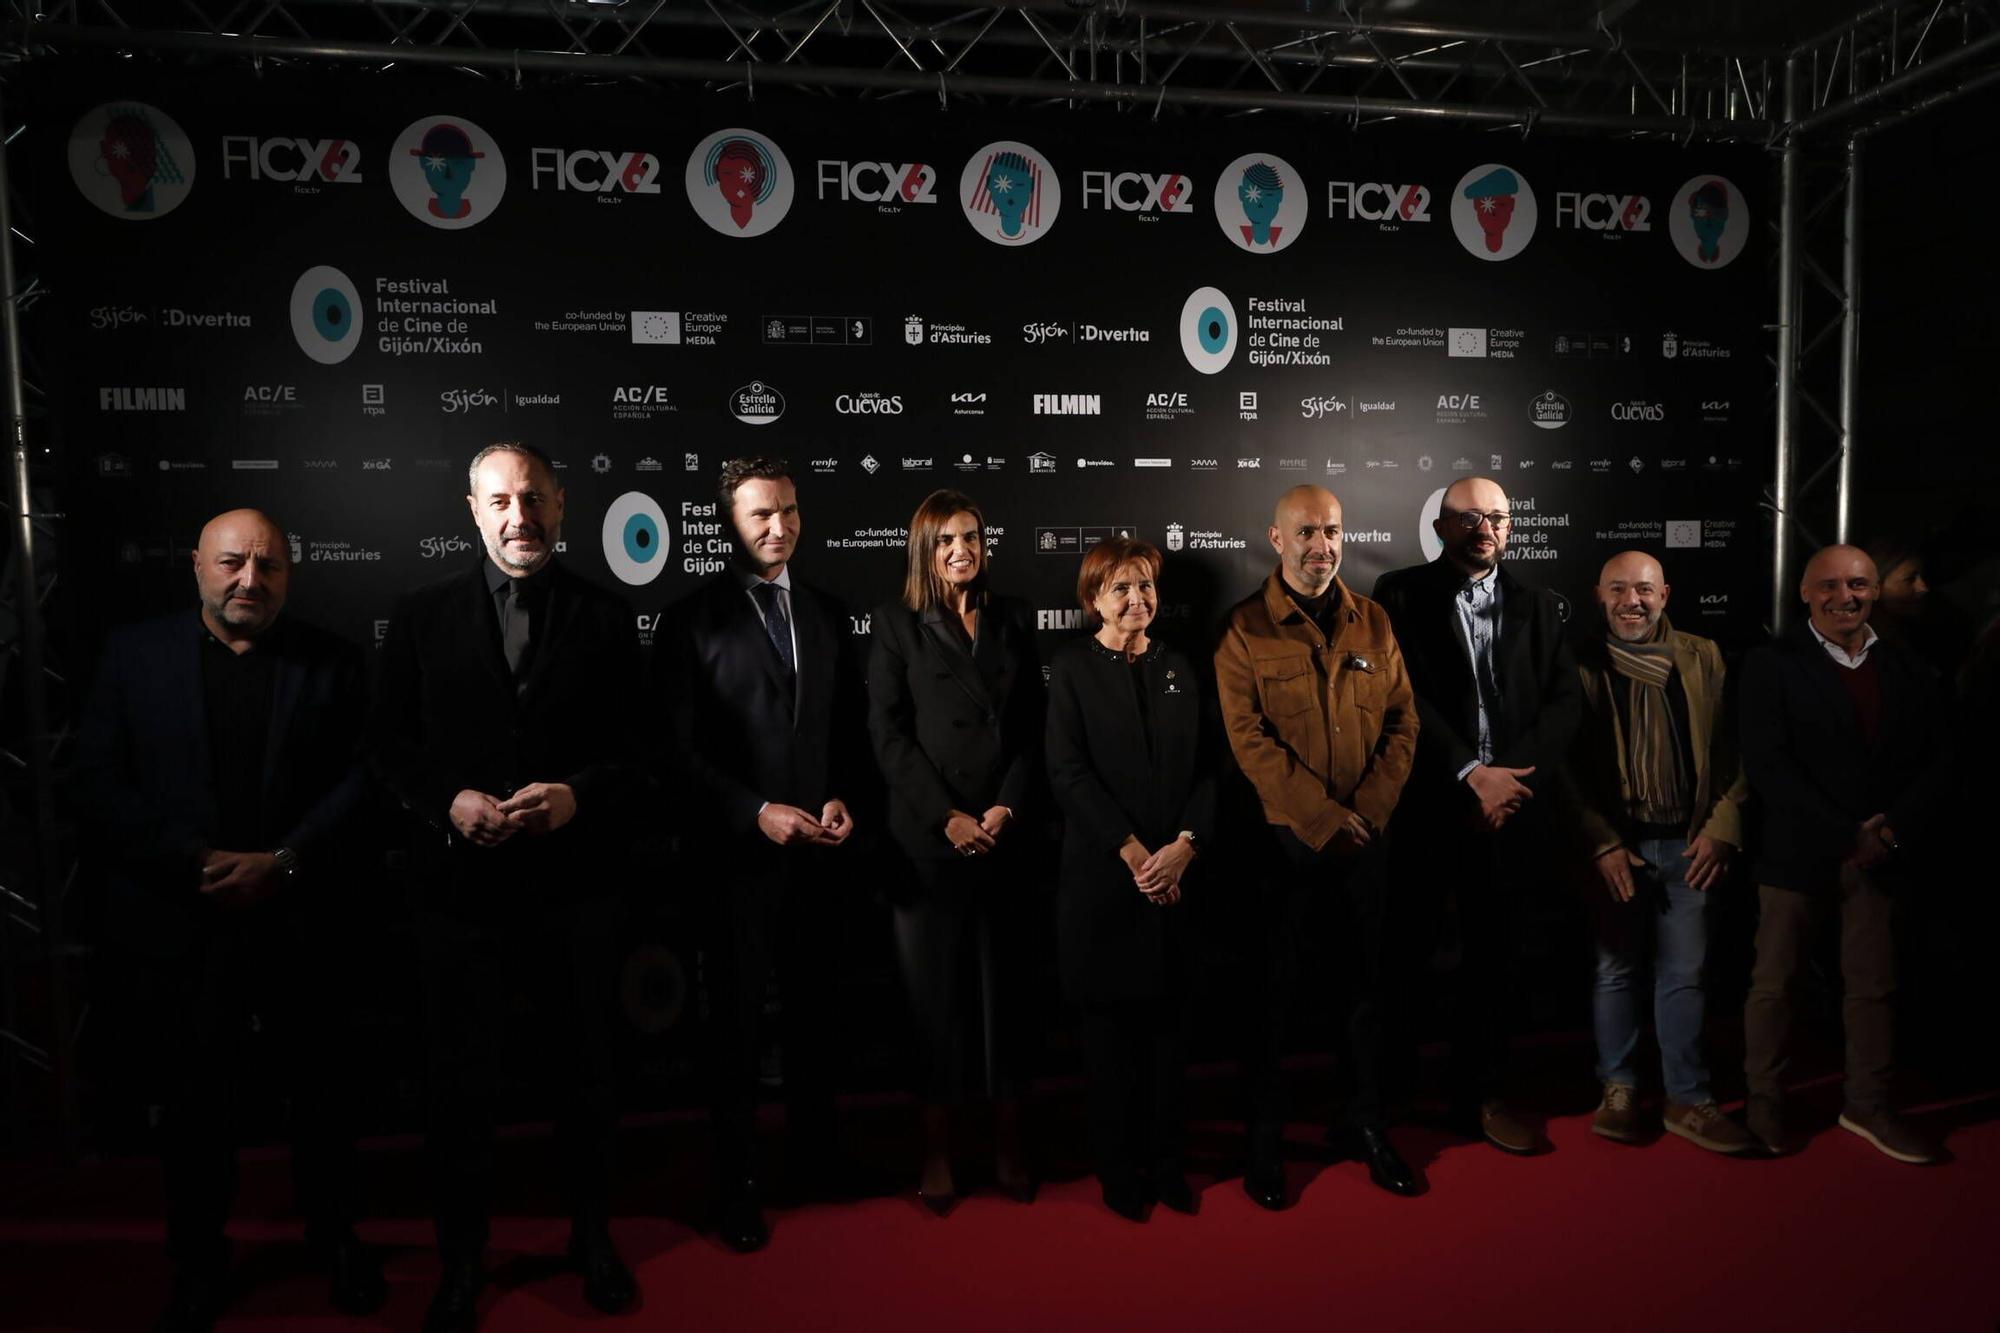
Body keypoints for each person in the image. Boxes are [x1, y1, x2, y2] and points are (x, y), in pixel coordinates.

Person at [75, 508, 380, 1333]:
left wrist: (285, 860)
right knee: (194, 1110)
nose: (251, 579)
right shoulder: (133, 656)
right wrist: (192, 861)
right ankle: (198, 1263)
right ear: (197, 567)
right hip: (185, 924)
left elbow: (363, 779)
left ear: (290, 574)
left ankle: (336, 1240)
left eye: (269, 565)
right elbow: (97, 779)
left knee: (323, 1100)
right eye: (234, 562)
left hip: (302, 923)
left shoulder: (335, 661)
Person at [371, 443, 644, 1332]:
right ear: (473, 509)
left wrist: (577, 796)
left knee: (587, 1080)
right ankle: (461, 1262)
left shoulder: (607, 617)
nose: (519, 516)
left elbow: (639, 751)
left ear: (560, 505)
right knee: (460, 1093)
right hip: (459, 900)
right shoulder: (420, 615)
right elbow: (387, 747)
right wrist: (446, 801)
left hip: (577, 894)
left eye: (533, 498)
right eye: (500, 500)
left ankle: (592, 1240)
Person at [657, 457, 869, 1252]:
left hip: (820, 862)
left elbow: (845, 731)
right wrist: (754, 812)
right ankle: (736, 1184)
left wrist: (842, 794)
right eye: (760, 514)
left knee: (818, 1020)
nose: (779, 527)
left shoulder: (827, 611)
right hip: (733, 867)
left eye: (788, 511)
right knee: (736, 1034)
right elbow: (674, 753)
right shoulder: (689, 620)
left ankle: (817, 1158)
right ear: (729, 523)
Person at [1214, 485, 1422, 1206]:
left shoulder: (1375, 621)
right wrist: (1323, 817)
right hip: (1284, 849)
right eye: (1305, 533)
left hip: (1366, 844)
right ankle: (1265, 1142)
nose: (1321, 547)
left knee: (1364, 996)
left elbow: (1403, 724)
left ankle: (1364, 1124)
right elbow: (1247, 740)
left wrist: (1367, 812)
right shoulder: (1243, 629)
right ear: (1277, 540)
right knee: (1271, 1001)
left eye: (1331, 531)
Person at [1373, 476, 1580, 1155]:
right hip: (1430, 804)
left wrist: (1508, 781)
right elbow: (1400, 693)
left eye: (1497, 517)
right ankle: (1389, 1098)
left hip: (1509, 810)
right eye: (1469, 517)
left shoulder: (1539, 606)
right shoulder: (1399, 594)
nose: (1484, 528)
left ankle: (1481, 1096)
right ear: (1441, 527)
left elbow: (1565, 703)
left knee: (1495, 961)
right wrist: (1470, 772)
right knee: (1404, 955)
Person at [1738, 544, 1948, 1163]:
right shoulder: (1769, 664)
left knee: (1873, 986)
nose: (1844, 596)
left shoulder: (1908, 665)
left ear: (1875, 591)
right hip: (1796, 852)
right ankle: (1764, 1102)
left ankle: (1868, 1104)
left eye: (1857, 584)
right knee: (1775, 985)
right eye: (1828, 585)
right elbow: (1768, 766)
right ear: (1805, 593)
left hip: (1880, 855)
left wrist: (1891, 832)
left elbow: (1940, 759)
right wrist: (1847, 835)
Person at [866, 489, 1043, 1211]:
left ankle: (1008, 1142)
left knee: (1007, 1002)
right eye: (945, 540)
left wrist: (1005, 806)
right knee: (933, 1004)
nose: (961, 549)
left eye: (970, 536)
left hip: (1004, 837)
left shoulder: (1014, 616)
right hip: (930, 845)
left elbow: (1033, 728)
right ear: (925, 550)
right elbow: (887, 735)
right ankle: (937, 1150)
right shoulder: (895, 624)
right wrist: (947, 816)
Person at [1046, 537, 1216, 1222]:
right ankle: (1119, 1171)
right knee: (1109, 1043)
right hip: (1104, 886)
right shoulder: (1070, 668)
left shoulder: (1181, 664)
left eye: (1144, 585)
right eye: (1120, 587)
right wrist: (1135, 854)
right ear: (1094, 599)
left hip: (1177, 879)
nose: (1136, 599)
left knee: (1170, 1039)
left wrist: (1184, 847)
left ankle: (1168, 1166)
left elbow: (1211, 768)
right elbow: (1067, 772)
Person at [1563, 551, 1754, 1154]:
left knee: (1685, 975)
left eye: (1644, 590)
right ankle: (1618, 1088)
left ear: (1664, 595)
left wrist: (1722, 827)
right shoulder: (1577, 663)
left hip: (1690, 846)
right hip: (1617, 849)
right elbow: (1564, 769)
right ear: (1600, 596)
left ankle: (1688, 1098)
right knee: (1615, 971)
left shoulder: (1704, 656)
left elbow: (1735, 752)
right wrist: (1601, 843)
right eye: (1618, 589)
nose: (1632, 602)